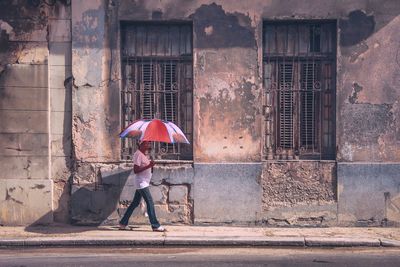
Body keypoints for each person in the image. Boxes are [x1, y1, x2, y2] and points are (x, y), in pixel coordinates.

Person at [119, 141, 166, 232]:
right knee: (150, 202)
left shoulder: (143, 155)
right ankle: (155, 225)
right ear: (140, 144)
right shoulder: (138, 154)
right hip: (141, 183)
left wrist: (150, 165)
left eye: (149, 143)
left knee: (135, 203)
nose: (148, 145)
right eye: (146, 143)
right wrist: (149, 165)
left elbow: (146, 167)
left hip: (144, 182)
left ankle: (123, 223)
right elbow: (136, 170)